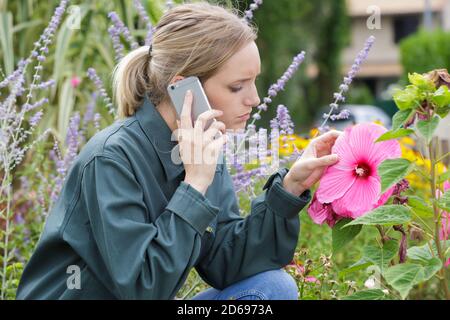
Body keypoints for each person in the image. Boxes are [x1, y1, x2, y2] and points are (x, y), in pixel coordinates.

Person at [16, 2, 340, 300]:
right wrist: (194, 186)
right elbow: (142, 286)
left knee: (272, 289)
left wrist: (288, 189)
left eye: (254, 82)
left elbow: (225, 262)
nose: (254, 99)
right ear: (185, 88)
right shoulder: (111, 159)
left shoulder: (202, 148)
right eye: (237, 86)